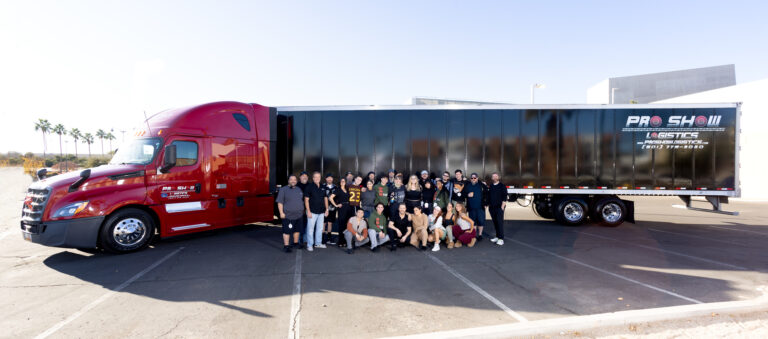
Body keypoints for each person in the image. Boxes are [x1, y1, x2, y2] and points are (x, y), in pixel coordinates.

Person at [276, 175, 304, 252]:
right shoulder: (283, 189)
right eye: (291, 179)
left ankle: (295, 243)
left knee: (297, 230)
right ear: (288, 181)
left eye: (294, 180)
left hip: (299, 215)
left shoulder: (299, 189)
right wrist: (281, 213)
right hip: (287, 215)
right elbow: (280, 203)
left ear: (296, 181)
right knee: (287, 231)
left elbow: (300, 200)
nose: (293, 181)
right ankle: (286, 246)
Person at [304, 172, 328, 251]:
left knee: (320, 228)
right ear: (313, 178)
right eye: (315, 177)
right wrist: (308, 211)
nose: (317, 178)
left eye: (318, 177)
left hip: (321, 212)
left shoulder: (323, 186)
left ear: (320, 178)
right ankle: (310, 244)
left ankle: (318, 243)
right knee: (310, 229)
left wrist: (327, 209)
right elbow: (306, 200)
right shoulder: (309, 187)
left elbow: (325, 198)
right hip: (312, 212)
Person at [329, 177, 351, 246]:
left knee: (346, 225)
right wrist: (336, 205)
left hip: (348, 207)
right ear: (340, 182)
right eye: (341, 181)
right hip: (342, 208)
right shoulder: (338, 189)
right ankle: (340, 242)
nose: (343, 182)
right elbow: (330, 198)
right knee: (341, 225)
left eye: (344, 181)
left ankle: (345, 241)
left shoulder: (347, 189)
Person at [465, 173, 487, 241]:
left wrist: (486, 203)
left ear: (477, 178)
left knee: (480, 221)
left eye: (475, 178)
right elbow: (464, 194)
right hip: (471, 208)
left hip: (480, 207)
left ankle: (480, 235)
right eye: (472, 178)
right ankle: (474, 235)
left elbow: (486, 194)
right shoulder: (468, 186)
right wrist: (467, 195)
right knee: (473, 222)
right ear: (470, 179)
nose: (473, 179)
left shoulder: (482, 185)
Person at [487, 172, 507, 246]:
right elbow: (489, 196)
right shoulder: (491, 186)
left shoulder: (502, 186)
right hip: (492, 207)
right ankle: (497, 236)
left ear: (498, 177)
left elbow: (505, 196)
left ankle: (501, 239)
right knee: (495, 222)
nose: (494, 178)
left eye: (496, 176)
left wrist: (502, 206)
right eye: (493, 176)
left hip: (499, 207)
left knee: (499, 222)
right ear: (492, 178)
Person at [322, 174, 338, 245]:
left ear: (332, 179)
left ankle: (329, 237)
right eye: (328, 178)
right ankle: (322, 238)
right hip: (324, 208)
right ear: (326, 179)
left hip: (332, 208)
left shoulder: (335, 187)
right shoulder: (323, 186)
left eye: (331, 178)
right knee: (323, 223)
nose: (329, 179)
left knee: (330, 223)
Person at [297, 171, 310, 245]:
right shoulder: (296, 185)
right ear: (300, 177)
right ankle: (298, 240)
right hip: (299, 209)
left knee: (307, 225)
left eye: (306, 176)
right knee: (299, 225)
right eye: (303, 176)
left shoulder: (310, 185)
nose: (304, 177)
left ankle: (305, 240)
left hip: (308, 209)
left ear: (308, 177)